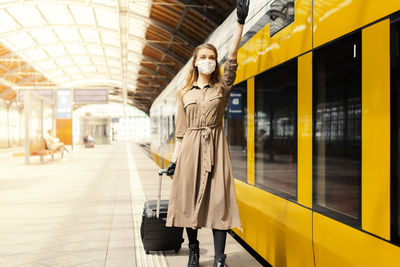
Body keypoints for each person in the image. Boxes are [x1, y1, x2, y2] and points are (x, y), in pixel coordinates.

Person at [165, 1, 250, 266]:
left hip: (215, 148)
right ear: (195, 62)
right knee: (189, 201)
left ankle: (219, 259)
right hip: (190, 149)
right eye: (203, 57)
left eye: (211, 57)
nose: (208, 61)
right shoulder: (184, 94)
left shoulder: (221, 89)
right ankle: (193, 249)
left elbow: (233, 58)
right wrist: (174, 161)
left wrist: (239, 23)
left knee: (219, 202)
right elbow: (180, 133)